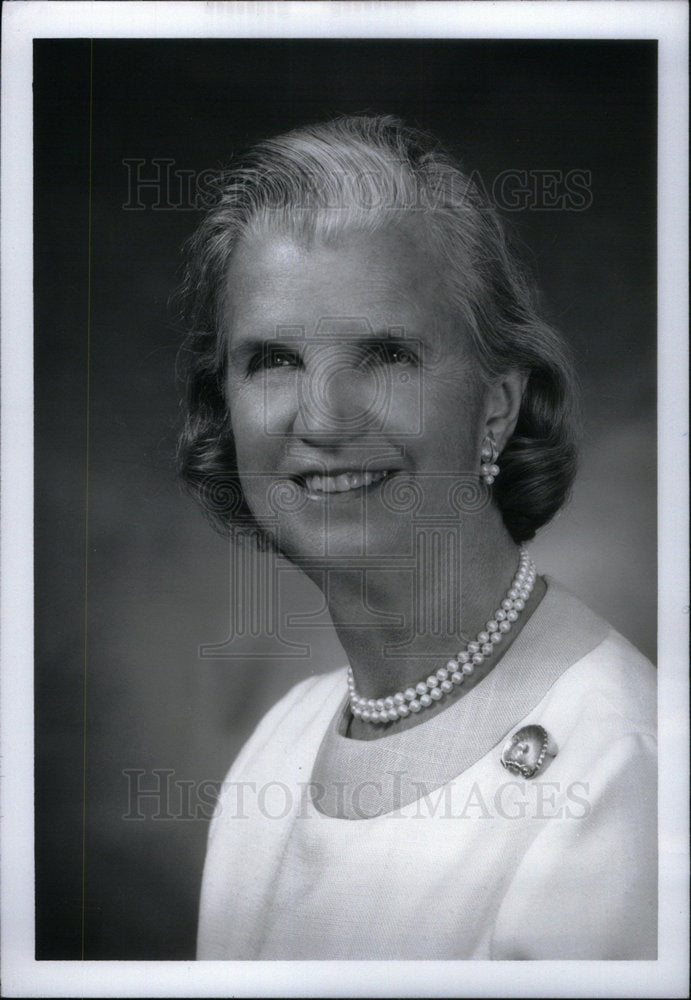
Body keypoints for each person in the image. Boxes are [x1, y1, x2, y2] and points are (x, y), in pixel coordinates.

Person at [177, 116, 656, 960]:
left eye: (386, 353)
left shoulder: (621, 769)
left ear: (497, 405)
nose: (322, 419)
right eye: (273, 359)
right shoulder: (279, 747)